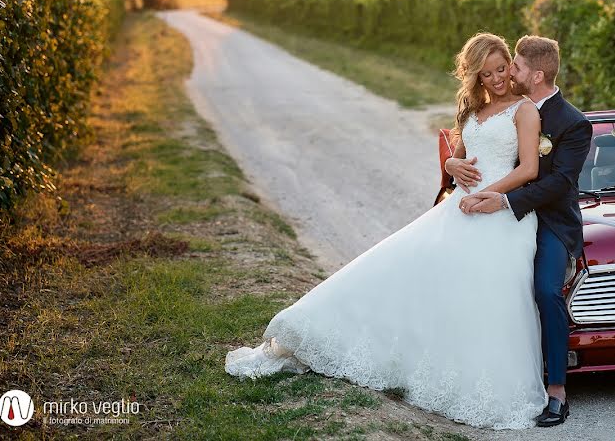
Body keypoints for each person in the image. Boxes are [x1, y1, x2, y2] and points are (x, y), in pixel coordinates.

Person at [225, 33, 548, 430]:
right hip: (460, 207)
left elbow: (529, 169)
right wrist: (451, 168)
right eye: (488, 73)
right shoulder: (472, 111)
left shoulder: (525, 111)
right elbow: (458, 157)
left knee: (486, 294)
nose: (498, 78)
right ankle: (326, 332)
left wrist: (487, 194)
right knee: (399, 266)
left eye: (502, 69)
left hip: (502, 214)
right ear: (476, 76)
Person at [458, 35, 592, 427]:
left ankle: (556, 391)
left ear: (535, 75)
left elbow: (559, 184)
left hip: (549, 221)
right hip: (496, 210)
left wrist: (503, 202)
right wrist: (453, 164)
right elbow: (474, 149)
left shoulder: (573, 122)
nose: (507, 72)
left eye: (513, 66)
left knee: (546, 290)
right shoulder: (503, 105)